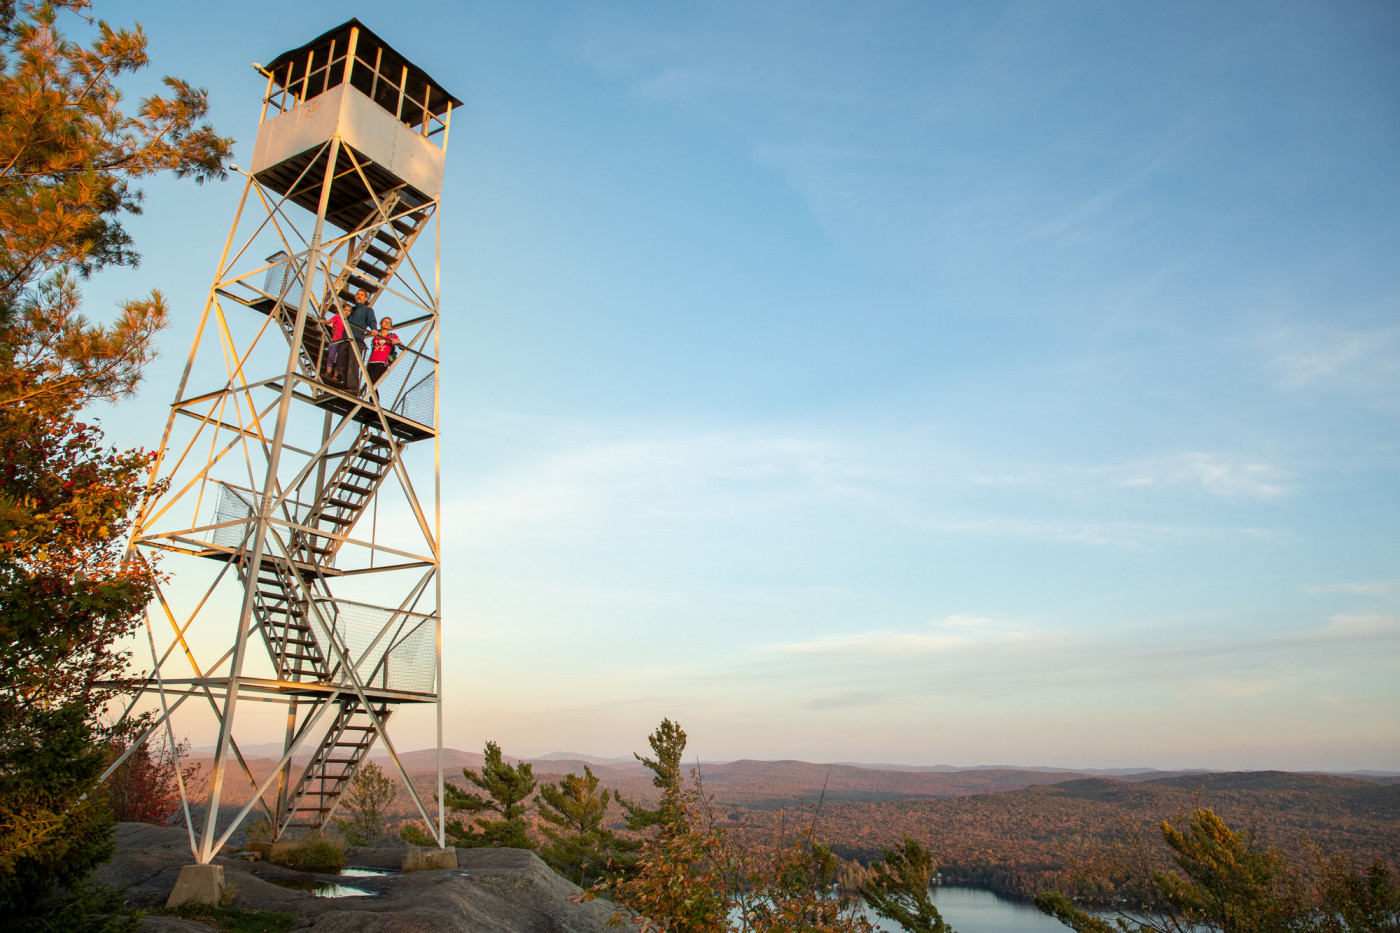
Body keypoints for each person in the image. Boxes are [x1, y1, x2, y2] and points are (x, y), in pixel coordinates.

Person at [343, 289, 377, 391]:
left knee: (353, 364)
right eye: (357, 294)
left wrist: (374, 328)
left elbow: (371, 320)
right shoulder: (350, 310)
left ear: (365, 298)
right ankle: (344, 386)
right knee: (342, 363)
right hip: (345, 339)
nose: (359, 296)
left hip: (356, 340)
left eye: (362, 295)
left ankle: (352, 388)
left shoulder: (368, 310)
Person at [366, 317, 401, 390]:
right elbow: (373, 351)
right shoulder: (376, 337)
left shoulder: (392, 336)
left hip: (382, 362)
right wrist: (367, 364)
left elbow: (403, 347)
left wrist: (398, 342)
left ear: (390, 326)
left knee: (373, 383)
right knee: (370, 384)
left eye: (388, 322)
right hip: (371, 362)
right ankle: (373, 400)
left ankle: (374, 401)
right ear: (381, 324)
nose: (386, 323)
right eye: (385, 321)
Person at [320, 306, 346, 385]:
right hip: (335, 340)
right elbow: (329, 322)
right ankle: (328, 372)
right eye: (345, 310)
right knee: (331, 356)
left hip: (342, 341)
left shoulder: (348, 320)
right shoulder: (337, 317)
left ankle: (335, 375)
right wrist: (324, 322)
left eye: (349, 311)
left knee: (339, 359)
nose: (347, 312)